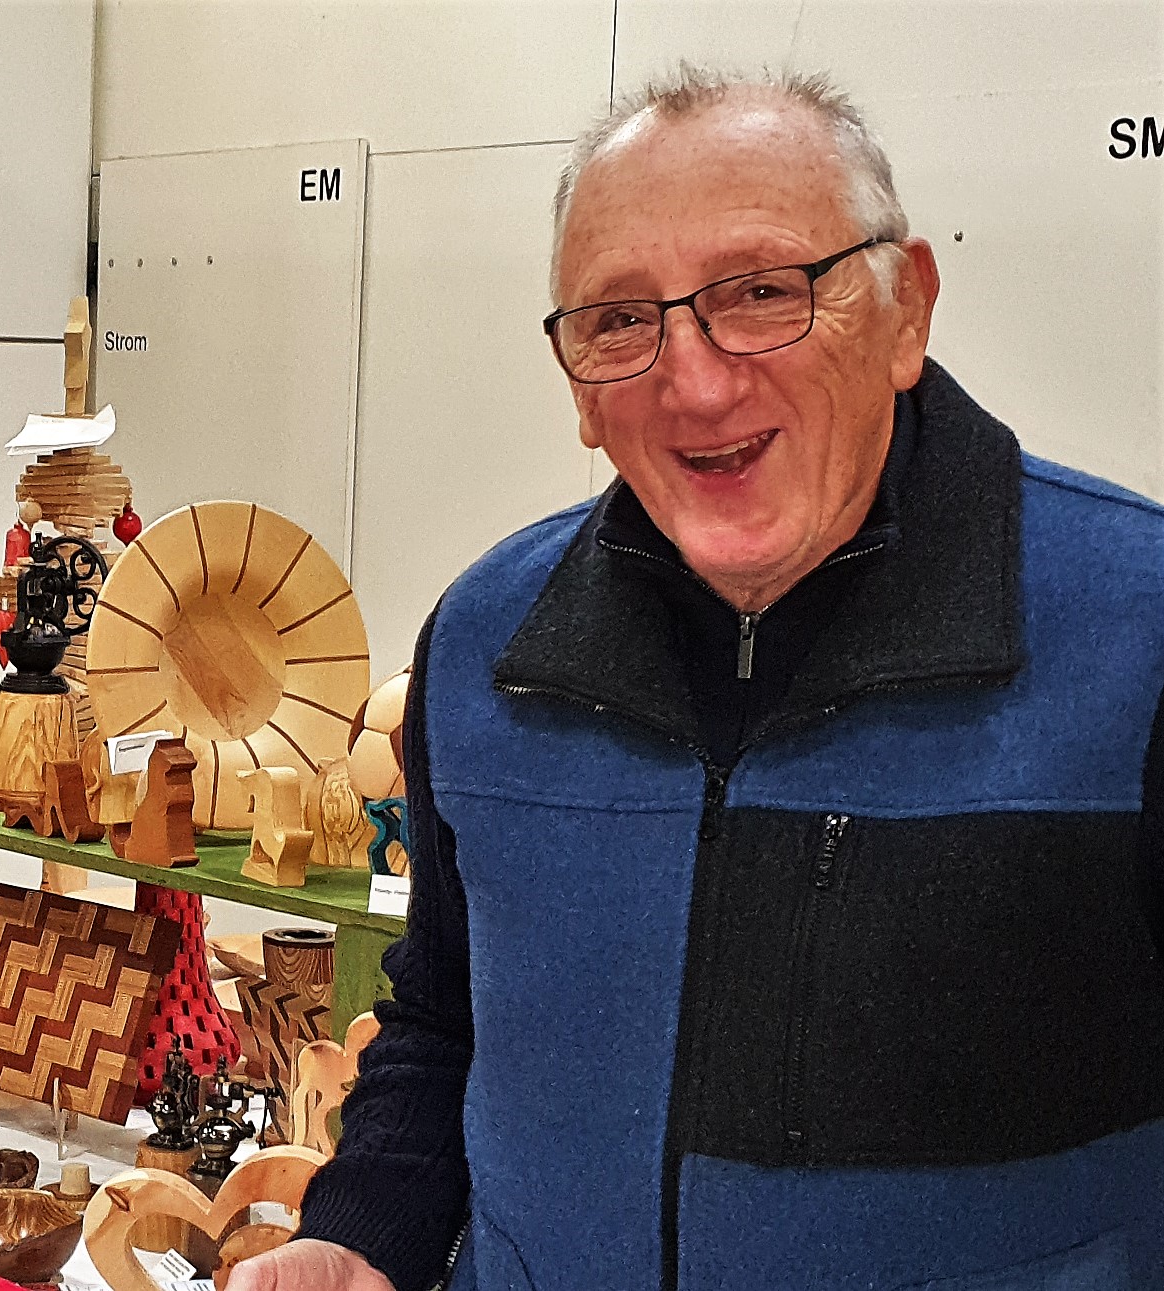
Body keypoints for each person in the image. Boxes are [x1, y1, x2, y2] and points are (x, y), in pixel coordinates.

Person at [237, 68, 1164, 1291]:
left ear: (904, 312)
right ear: (576, 383)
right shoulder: (487, 644)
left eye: (764, 292)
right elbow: (448, 1020)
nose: (697, 380)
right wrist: (360, 1235)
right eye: (619, 320)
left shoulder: (1137, 632)